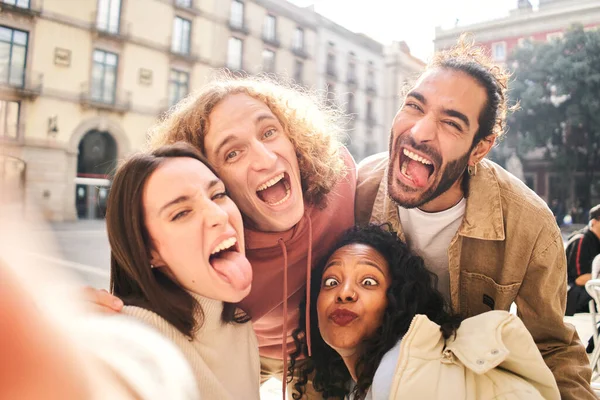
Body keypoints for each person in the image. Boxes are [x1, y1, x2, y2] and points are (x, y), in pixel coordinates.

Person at [355, 37, 594, 399]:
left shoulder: (529, 224)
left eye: (451, 123)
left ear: (480, 148)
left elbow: (553, 346)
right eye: (414, 106)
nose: (419, 132)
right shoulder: (357, 189)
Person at [91, 76, 356, 398]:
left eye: (269, 132)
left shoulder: (341, 177)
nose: (266, 159)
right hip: (249, 349)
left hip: (314, 351)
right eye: (232, 153)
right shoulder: (207, 254)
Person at [289, 225, 560, 400]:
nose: (344, 293)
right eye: (331, 282)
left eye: (368, 281)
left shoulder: (409, 378)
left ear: (397, 300)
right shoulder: (356, 387)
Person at [107, 143, 259, 399]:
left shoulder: (239, 325)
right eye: (181, 213)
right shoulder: (131, 342)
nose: (219, 215)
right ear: (147, 251)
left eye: (218, 195)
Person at [565, 204, 600, 315]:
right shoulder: (581, 240)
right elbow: (579, 279)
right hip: (572, 293)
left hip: (591, 288)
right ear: (594, 222)